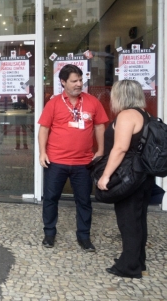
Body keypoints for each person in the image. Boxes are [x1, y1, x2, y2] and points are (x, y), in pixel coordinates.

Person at [38, 64, 108, 251]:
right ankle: (49, 234)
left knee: (84, 201)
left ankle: (84, 237)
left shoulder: (92, 102)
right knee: (51, 198)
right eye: (74, 81)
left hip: (84, 163)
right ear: (63, 82)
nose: (79, 84)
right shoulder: (53, 103)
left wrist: (100, 151)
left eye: (80, 80)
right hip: (56, 161)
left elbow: (100, 126)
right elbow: (44, 129)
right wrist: (42, 152)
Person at [96, 80, 154, 279]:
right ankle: (138, 260)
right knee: (138, 220)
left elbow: (120, 148)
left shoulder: (127, 115)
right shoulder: (145, 114)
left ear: (120, 96)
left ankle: (129, 267)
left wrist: (105, 175)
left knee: (128, 221)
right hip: (143, 176)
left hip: (130, 177)